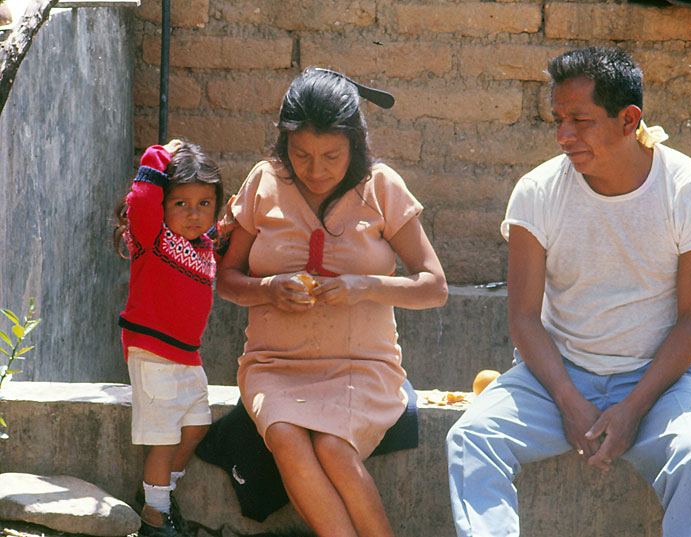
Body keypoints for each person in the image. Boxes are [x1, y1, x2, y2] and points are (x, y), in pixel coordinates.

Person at [446, 46, 691, 537]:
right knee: (471, 438)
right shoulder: (538, 191)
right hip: (555, 378)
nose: (564, 136)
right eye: (558, 120)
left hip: (659, 383)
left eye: (580, 121)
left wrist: (633, 408)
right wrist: (567, 399)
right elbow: (523, 317)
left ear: (629, 120)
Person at [216, 67, 448, 537]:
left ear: (354, 144)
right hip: (275, 365)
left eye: (331, 156)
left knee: (334, 448)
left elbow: (433, 286)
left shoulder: (381, 187)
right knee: (284, 434)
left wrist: (366, 286)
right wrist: (269, 288)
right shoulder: (263, 181)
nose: (316, 170)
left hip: (361, 368)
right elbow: (227, 280)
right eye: (301, 154)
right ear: (284, 143)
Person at [114, 139, 224, 537]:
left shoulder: (205, 246)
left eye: (204, 203)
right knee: (163, 441)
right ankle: (154, 520)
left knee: (197, 427)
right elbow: (142, 200)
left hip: (188, 357)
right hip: (153, 354)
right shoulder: (152, 237)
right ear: (162, 206)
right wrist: (160, 154)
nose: (194, 214)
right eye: (180, 203)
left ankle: (160, 493)